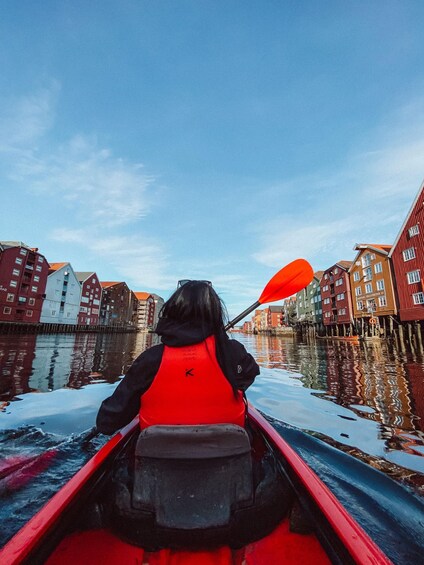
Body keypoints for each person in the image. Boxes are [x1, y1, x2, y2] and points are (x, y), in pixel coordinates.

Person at [96, 280, 260, 435]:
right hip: (230, 457)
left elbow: (106, 423)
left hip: (157, 460)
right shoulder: (234, 353)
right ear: (216, 315)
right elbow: (248, 375)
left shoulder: (149, 360)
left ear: (172, 312)